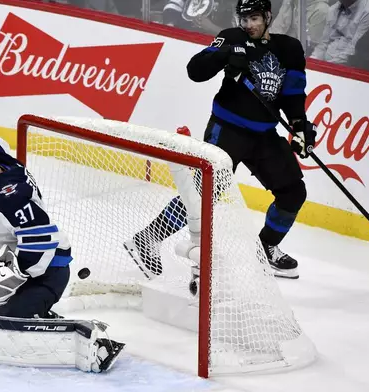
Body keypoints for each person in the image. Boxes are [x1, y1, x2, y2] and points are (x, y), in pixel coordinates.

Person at [125, 0, 317, 279]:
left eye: (255, 18)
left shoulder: (289, 49)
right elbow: (196, 70)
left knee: (293, 192)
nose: (249, 24)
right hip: (227, 129)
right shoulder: (232, 37)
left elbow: (293, 95)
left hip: (264, 135)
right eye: (244, 18)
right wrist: (224, 55)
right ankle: (146, 239)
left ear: (268, 17)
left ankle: (266, 248)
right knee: (204, 193)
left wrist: (300, 126)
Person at [0, 138, 124, 373]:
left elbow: (42, 240)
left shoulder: (7, 196)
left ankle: (93, 342)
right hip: (20, 260)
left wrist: (9, 276)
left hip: (47, 269)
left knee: (11, 318)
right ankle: (26, 304)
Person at [310, 0, 369, 64]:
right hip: (325, 64)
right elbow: (323, 44)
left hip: (347, 66)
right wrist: (312, 61)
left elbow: (353, 51)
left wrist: (327, 66)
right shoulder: (333, 9)